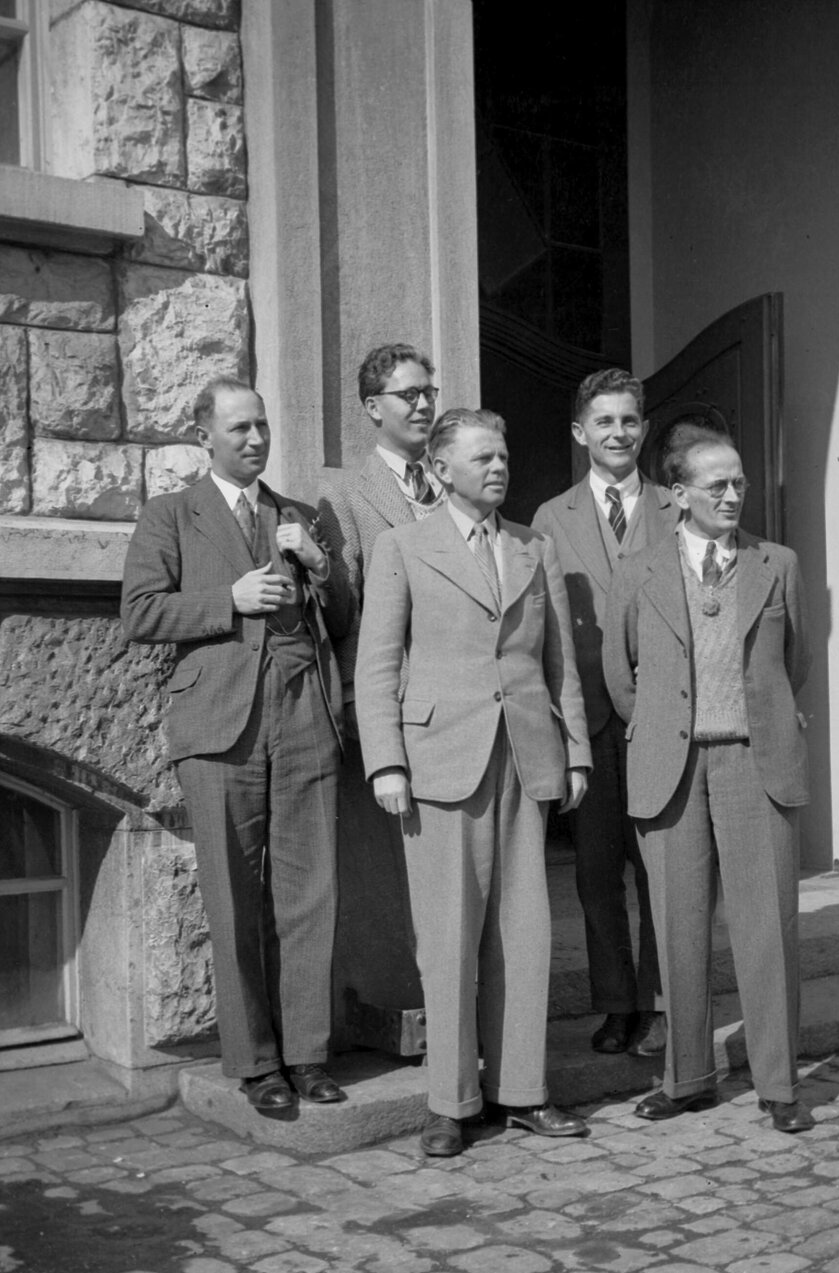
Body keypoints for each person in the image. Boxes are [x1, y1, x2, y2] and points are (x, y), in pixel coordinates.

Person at [355, 407, 593, 1157]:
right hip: (439, 762)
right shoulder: (402, 547)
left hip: (524, 757)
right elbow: (379, 664)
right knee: (449, 938)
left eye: (504, 454)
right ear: (442, 468)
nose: (499, 467)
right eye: (483, 457)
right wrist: (386, 760)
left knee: (524, 933)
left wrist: (577, 751)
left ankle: (522, 1091)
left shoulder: (533, 547)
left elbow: (560, 665)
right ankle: (450, 1104)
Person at [121, 377, 352, 1112]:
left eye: (262, 426)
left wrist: (318, 564)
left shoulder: (299, 516)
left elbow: (344, 618)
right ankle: (256, 1065)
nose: (256, 439)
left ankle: (309, 1056)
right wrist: (229, 601)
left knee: (309, 894)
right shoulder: (171, 516)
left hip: (303, 716)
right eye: (240, 428)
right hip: (219, 726)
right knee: (233, 898)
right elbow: (141, 612)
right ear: (205, 437)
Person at [603, 422, 814, 1133]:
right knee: (677, 926)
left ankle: (779, 1084)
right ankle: (686, 1077)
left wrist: (763, 718)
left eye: (740, 483)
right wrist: (666, 727)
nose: (732, 495)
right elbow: (620, 673)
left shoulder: (776, 562)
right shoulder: (641, 570)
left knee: (767, 930)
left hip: (756, 764)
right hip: (674, 765)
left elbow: (796, 663)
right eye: (717, 484)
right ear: (678, 492)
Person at [532, 368, 672, 1058]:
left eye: (629, 421)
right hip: (588, 718)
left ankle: (666, 1000)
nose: (618, 433)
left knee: (662, 869)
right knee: (596, 872)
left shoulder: (678, 510)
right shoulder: (549, 520)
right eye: (604, 422)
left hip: (661, 718)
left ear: (644, 429)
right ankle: (617, 1004)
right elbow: (544, 630)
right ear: (581, 433)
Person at [312, 344, 444, 1024]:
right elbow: (344, 612)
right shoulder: (344, 493)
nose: (423, 404)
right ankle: (401, 1017)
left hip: (458, 711)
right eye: (406, 395)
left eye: (428, 392)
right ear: (372, 408)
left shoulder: (450, 482)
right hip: (387, 709)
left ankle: (455, 1010)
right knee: (389, 877)